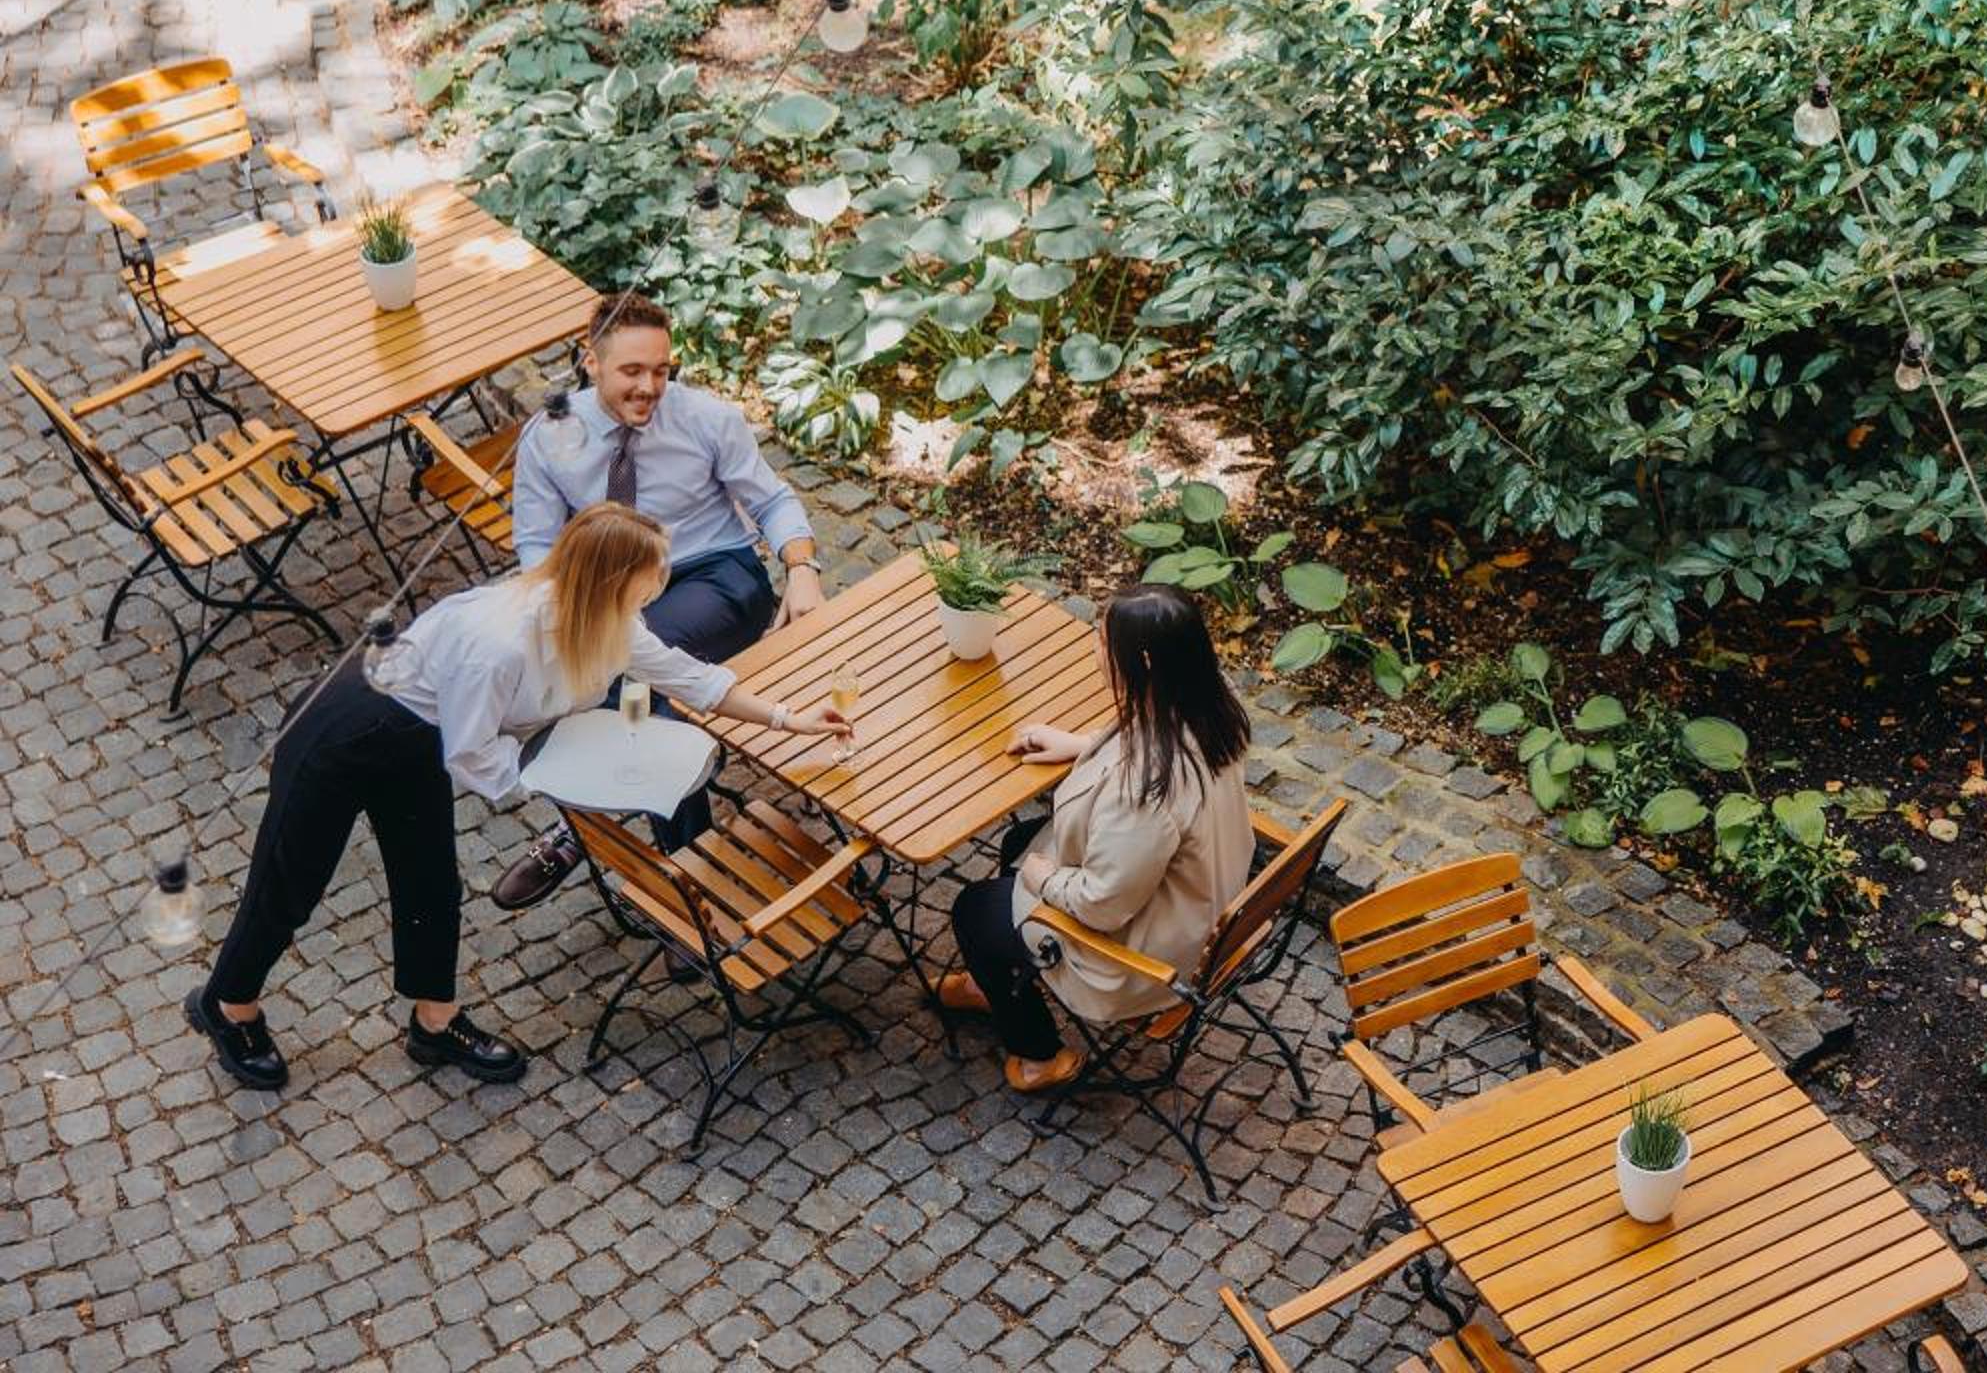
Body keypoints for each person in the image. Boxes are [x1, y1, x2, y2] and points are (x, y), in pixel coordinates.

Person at [187, 505, 851, 1093]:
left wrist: (790, 720)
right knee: (291, 881)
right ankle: (229, 1005)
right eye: (654, 574)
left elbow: (691, 679)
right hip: (348, 728)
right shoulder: (501, 645)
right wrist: (569, 779)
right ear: (612, 581)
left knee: (430, 883)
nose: (663, 583)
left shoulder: (611, 621)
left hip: (422, 736)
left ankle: (434, 1023)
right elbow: (473, 754)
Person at [491, 289, 827, 906]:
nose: (649, 387)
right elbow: (537, 541)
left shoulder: (706, 419)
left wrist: (801, 567)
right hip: (616, 593)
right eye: (632, 371)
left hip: (715, 577)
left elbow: (773, 500)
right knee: (619, 681)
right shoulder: (548, 436)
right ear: (591, 362)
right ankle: (673, 855)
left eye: (661, 370)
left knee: (630, 672)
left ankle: (626, 847)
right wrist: (566, 610)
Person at [937, 585, 1255, 1092]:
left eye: (1103, 643)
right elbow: (1149, 743)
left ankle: (1040, 1057)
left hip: (1147, 957)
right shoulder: (1215, 703)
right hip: (1205, 897)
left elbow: (1103, 905)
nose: (1095, 649)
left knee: (975, 909)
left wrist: (1044, 879)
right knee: (1019, 842)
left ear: (1143, 662)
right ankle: (995, 979)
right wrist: (1083, 744)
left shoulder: (1144, 791)